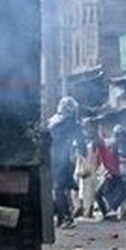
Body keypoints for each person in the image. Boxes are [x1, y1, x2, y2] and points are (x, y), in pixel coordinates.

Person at [47, 96, 83, 228]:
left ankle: (63, 217)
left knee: (58, 189)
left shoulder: (52, 122)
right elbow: (81, 141)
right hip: (63, 160)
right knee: (59, 189)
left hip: (52, 159)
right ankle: (65, 217)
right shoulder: (71, 124)